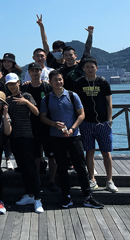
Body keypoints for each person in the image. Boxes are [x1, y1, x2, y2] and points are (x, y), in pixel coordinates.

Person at [40, 70, 104, 209]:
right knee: (62, 168)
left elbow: (81, 114)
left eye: (60, 79)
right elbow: (42, 117)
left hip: (74, 136)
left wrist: (73, 128)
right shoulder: (46, 99)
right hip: (56, 137)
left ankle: (88, 197)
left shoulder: (72, 95)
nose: (58, 82)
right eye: (55, 80)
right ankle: (66, 196)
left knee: (80, 166)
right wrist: (53, 124)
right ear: (50, 82)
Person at [74, 57, 118, 193]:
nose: (90, 69)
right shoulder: (79, 83)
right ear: (83, 68)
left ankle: (109, 180)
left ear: (96, 68)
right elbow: (76, 103)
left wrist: (109, 120)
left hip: (103, 123)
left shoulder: (103, 82)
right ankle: (92, 179)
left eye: (92, 67)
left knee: (106, 152)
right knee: (89, 152)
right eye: (87, 67)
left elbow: (109, 102)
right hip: (86, 123)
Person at [5, 74, 44, 214]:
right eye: (9, 84)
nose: (12, 86)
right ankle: (29, 194)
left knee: (31, 168)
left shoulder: (27, 96)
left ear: (19, 83)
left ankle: (38, 199)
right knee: (22, 167)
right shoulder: (7, 100)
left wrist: (26, 102)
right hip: (14, 137)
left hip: (27, 136)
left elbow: (37, 112)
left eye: (14, 83)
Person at [21, 63, 57, 191]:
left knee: (52, 155)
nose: (35, 73)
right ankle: (37, 181)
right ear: (29, 73)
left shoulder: (47, 86)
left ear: (41, 72)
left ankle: (52, 181)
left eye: (37, 70)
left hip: (47, 124)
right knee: (36, 155)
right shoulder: (25, 88)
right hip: (32, 125)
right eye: (32, 71)